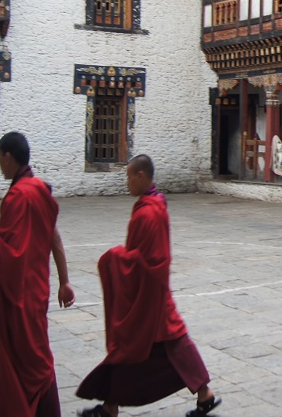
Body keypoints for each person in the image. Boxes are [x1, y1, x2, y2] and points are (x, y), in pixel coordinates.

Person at [76, 155, 221, 417]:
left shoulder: (148, 212)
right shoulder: (154, 205)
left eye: (129, 176)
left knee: (140, 345)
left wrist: (114, 258)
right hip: (152, 289)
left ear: (141, 175)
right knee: (146, 346)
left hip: (150, 293)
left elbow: (146, 260)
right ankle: (112, 405)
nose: (127, 182)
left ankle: (202, 394)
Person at [0, 131, 76, 417]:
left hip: (17, 297)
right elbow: (55, 239)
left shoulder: (17, 197)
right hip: (37, 294)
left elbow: (10, 255)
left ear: (8, 157)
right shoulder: (39, 190)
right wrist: (64, 281)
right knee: (38, 359)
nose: (0, 163)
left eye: (0, 157)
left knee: (16, 361)